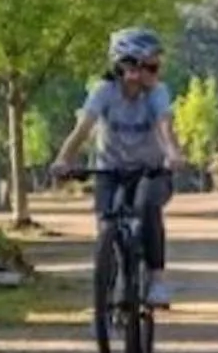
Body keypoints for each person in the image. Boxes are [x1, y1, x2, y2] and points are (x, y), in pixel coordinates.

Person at [49, 27, 185, 308]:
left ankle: (157, 279)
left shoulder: (157, 93)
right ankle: (105, 292)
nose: (153, 72)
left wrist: (172, 153)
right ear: (125, 66)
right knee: (105, 226)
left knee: (147, 207)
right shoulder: (104, 92)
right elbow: (83, 128)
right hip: (110, 170)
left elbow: (164, 126)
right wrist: (64, 159)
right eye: (147, 65)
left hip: (150, 171)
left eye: (155, 66)